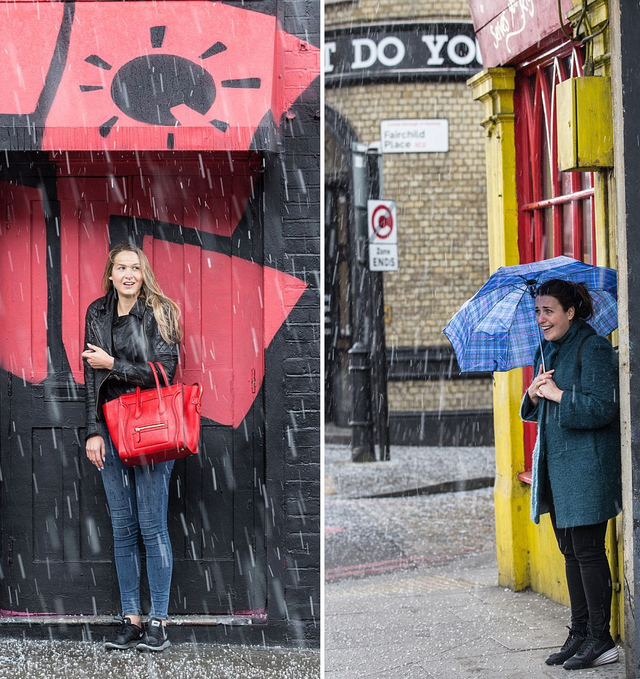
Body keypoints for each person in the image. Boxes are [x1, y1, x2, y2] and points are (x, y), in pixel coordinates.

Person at [82, 242, 183, 652]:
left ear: (143, 275)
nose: (127, 275)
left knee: (152, 526)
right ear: (110, 273)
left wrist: (114, 365)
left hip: (152, 430)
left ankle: (158, 621)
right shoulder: (97, 313)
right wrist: (92, 429)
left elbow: (164, 372)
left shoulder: (160, 312)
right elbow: (89, 376)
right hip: (111, 429)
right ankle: (132, 620)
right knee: (123, 529)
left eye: (135, 268)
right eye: (121, 267)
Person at [521, 279, 621, 670]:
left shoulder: (592, 347)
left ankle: (602, 638)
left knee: (588, 551)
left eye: (548, 311)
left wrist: (558, 394)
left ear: (570, 312)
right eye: (537, 312)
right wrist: (533, 394)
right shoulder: (545, 351)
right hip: (557, 469)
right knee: (570, 551)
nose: (541, 319)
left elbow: (603, 408)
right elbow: (539, 409)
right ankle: (579, 632)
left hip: (588, 469)